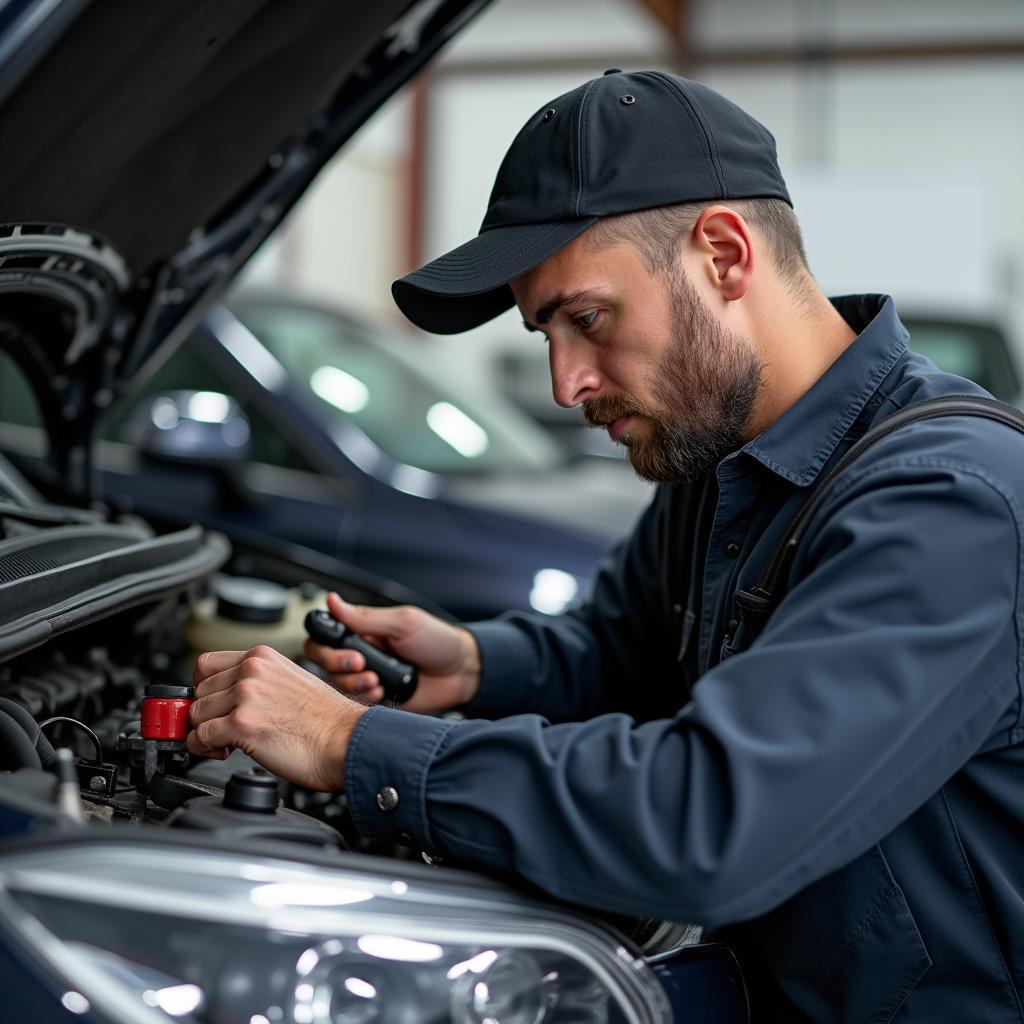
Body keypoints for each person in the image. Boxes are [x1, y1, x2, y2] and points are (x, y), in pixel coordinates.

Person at [187, 70, 1024, 1021]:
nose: (565, 383)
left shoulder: (950, 501)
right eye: (545, 332)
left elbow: (708, 823)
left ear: (722, 253)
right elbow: (620, 651)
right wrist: (469, 663)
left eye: (586, 319)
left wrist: (352, 744)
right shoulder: (726, 458)